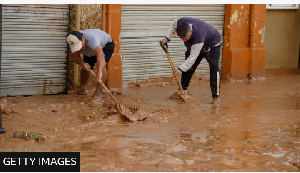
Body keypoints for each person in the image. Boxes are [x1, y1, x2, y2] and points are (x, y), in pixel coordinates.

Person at [160, 17, 222, 104]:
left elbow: (192, 58)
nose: (184, 41)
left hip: (212, 44)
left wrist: (179, 69)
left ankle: (216, 96)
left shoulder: (198, 37)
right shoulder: (180, 22)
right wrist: (167, 38)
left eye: (186, 38)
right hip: (197, 44)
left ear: (191, 32)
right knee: (189, 68)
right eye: (182, 39)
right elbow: (173, 26)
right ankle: (182, 90)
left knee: (214, 68)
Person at [66, 29, 115, 99]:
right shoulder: (72, 42)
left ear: (83, 38)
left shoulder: (92, 39)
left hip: (105, 46)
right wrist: (83, 63)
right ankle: (82, 88)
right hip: (90, 49)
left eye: (79, 45)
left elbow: (100, 54)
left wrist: (99, 71)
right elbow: (75, 56)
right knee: (85, 67)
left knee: (102, 66)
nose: (80, 48)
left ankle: (99, 93)